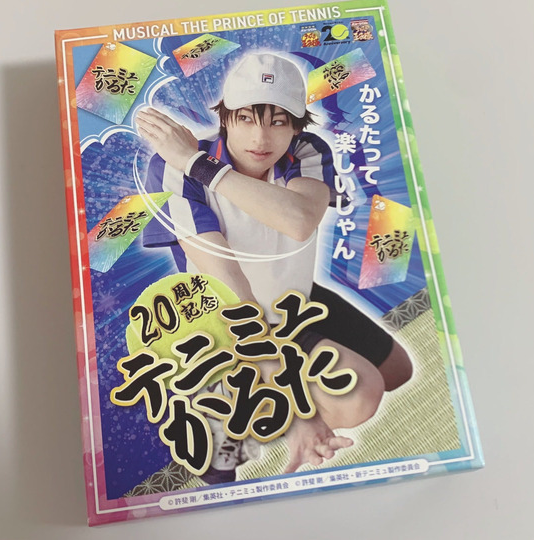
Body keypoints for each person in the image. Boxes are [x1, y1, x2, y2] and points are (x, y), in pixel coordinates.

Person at [137, 52, 412, 481]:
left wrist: (199, 164)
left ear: (297, 126)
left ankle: (267, 401)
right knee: (358, 398)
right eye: (246, 118)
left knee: (397, 371)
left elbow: (298, 220)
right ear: (225, 118)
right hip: (228, 323)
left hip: (293, 300)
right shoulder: (170, 169)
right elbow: (231, 286)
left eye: (279, 121)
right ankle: (227, 404)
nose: (261, 137)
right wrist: (298, 411)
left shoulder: (304, 151)